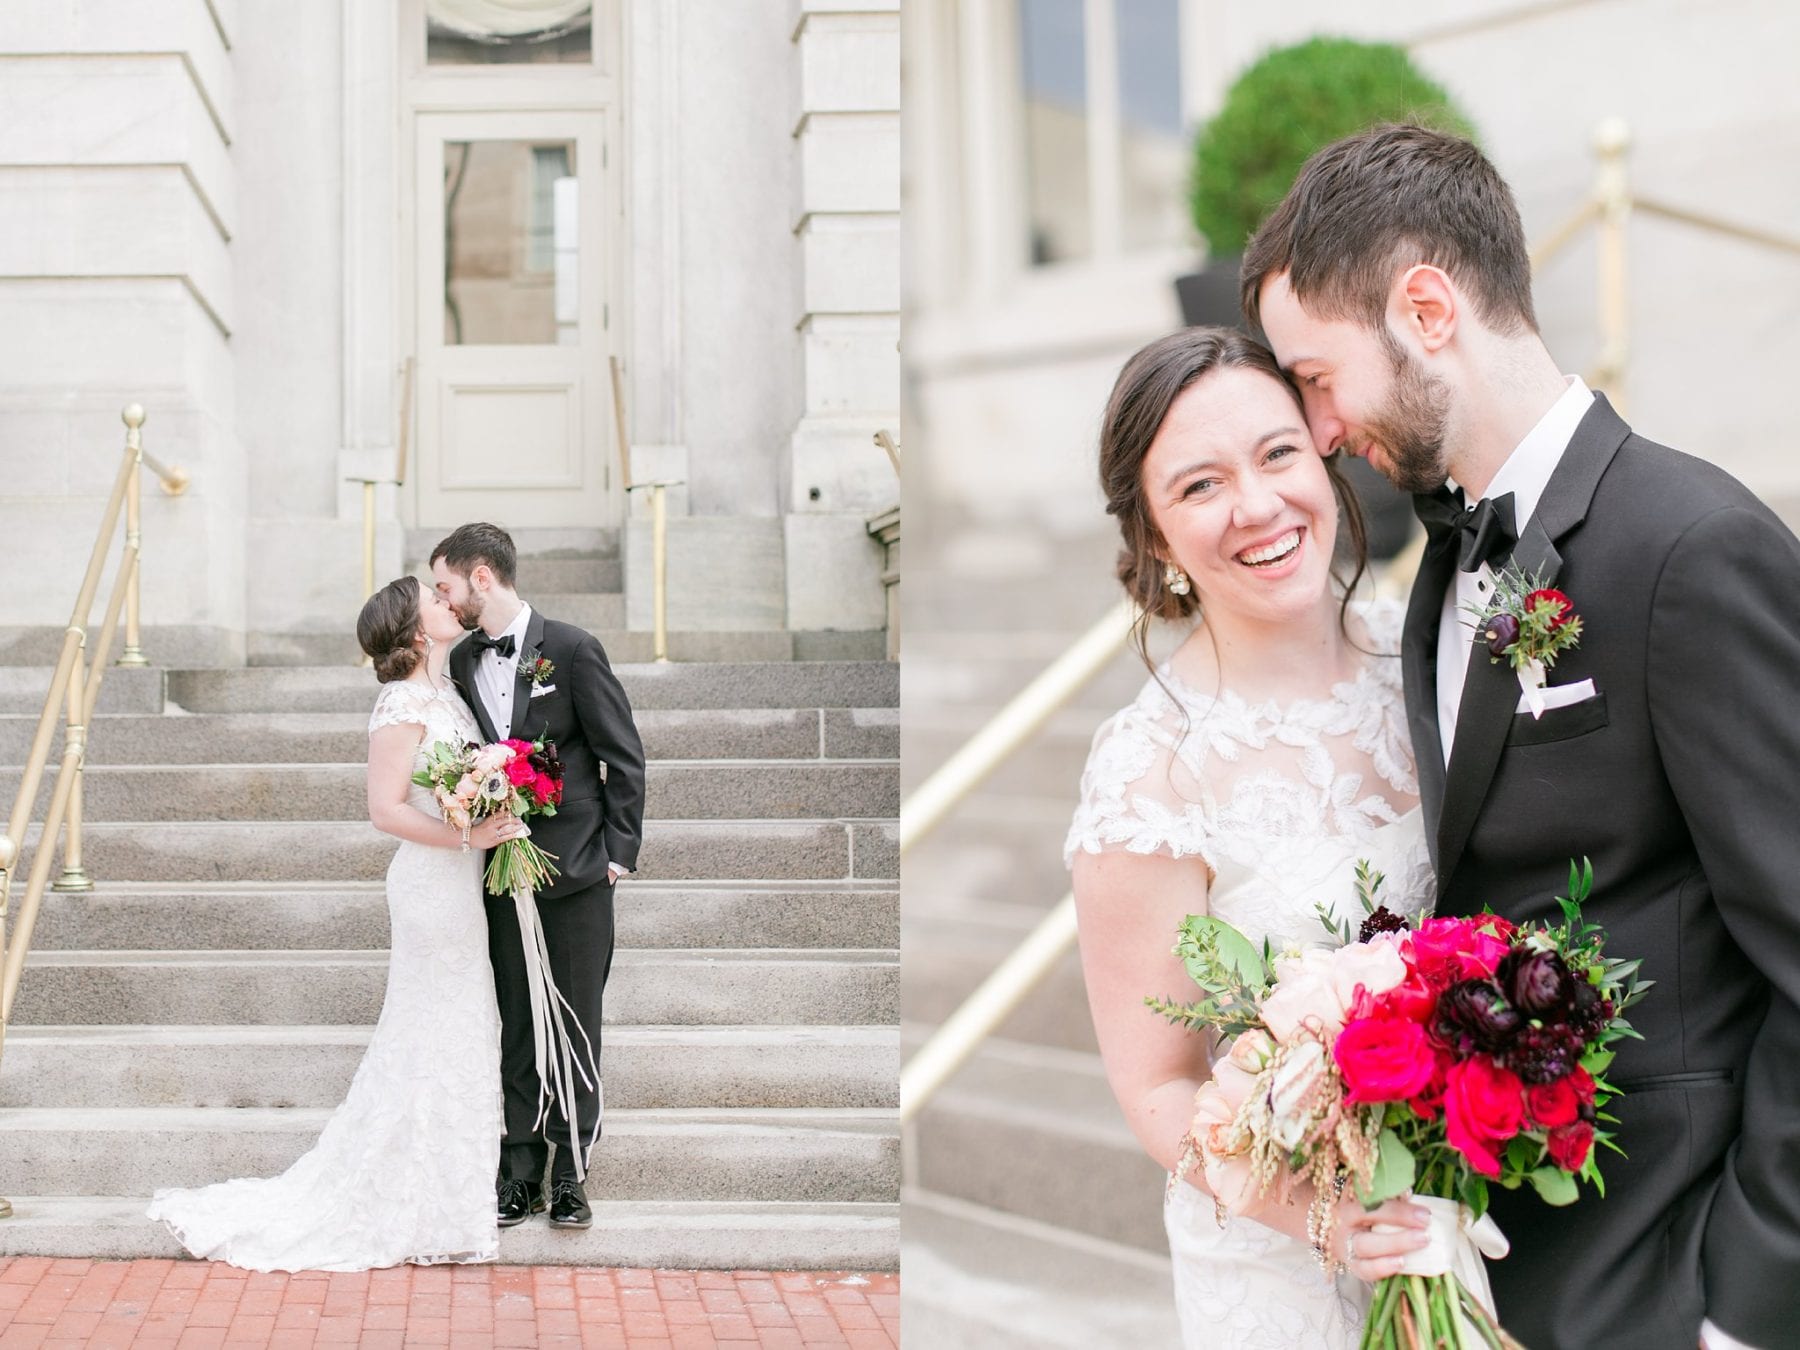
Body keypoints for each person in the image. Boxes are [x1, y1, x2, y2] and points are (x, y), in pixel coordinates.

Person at [1242, 123, 1800, 1350]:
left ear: (1426, 308)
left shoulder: (1690, 547)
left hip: (1672, 1274)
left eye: (1319, 378)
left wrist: (1748, 1310)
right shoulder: (1438, 569)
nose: (1321, 429)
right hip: (1503, 1264)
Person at [1065, 327, 1439, 1349]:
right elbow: (1157, 1082)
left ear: (1324, 453)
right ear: (1152, 538)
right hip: (1290, 1272)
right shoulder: (1150, 773)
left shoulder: (1436, 656)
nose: (1259, 506)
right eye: (1200, 486)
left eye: (1278, 454)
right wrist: (1326, 1216)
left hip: (1477, 1211)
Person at [146, 577, 525, 1269]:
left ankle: (446, 1193)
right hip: (431, 886)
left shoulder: (449, 694)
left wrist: (488, 806)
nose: (449, 603)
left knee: (458, 1029)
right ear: (416, 631)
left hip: (461, 880)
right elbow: (385, 811)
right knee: (436, 1029)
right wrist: (471, 837)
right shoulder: (401, 703)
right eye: (435, 601)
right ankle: (423, 1204)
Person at [430, 522, 646, 1232]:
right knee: (519, 1021)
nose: (443, 597)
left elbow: (624, 755)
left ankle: (572, 1171)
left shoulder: (575, 650)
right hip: (500, 870)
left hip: (579, 869)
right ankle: (518, 1168)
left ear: (482, 577)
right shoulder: (461, 662)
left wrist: (618, 853)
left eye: (446, 585)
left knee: (577, 1022)